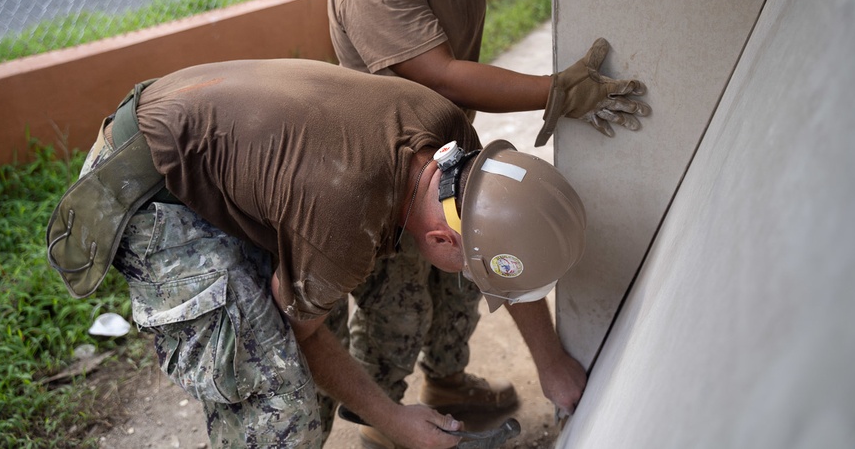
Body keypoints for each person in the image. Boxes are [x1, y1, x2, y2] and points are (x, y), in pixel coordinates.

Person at [46, 58, 587, 449]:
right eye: (470, 269)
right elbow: (303, 334)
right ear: (444, 239)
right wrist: (395, 420)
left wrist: (553, 363)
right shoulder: (345, 221)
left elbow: (499, 244)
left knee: (349, 302)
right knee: (281, 405)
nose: (470, 277)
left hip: (221, 140)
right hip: (148, 185)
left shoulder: (452, 143)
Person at [326, 0, 648, 449]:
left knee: (459, 292)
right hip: (386, 173)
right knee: (400, 309)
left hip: (437, 132)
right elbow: (443, 72)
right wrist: (557, 91)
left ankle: (447, 384)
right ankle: (382, 423)